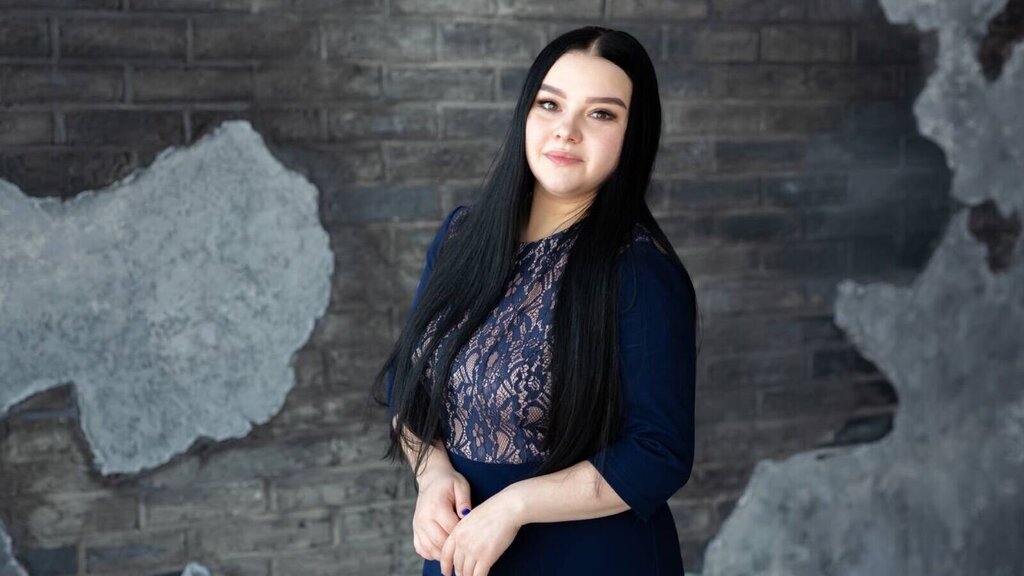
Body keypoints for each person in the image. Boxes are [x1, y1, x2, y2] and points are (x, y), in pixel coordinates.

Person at [371, 25, 700, 576]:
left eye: (601, 114)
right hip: (464, 553)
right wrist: (432, 474)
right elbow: (405, 381)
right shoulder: (462, 237)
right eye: (550, 104)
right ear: (525, 112)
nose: (566, 130)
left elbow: (658, 453)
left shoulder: (639, 270)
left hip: (590, 559)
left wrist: (515, 506)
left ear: (633, 134)